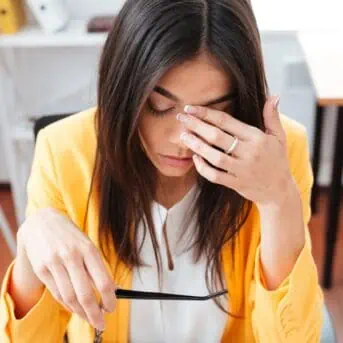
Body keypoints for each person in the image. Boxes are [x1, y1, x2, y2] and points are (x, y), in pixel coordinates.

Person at [0, 0, 323, 342]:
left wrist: (277, 203)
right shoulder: (64, 150)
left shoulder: (278, 154)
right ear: (124, 90)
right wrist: (30, 247)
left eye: (213, 112)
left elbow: (293, 338)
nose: (181, 141)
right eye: (159, 106)